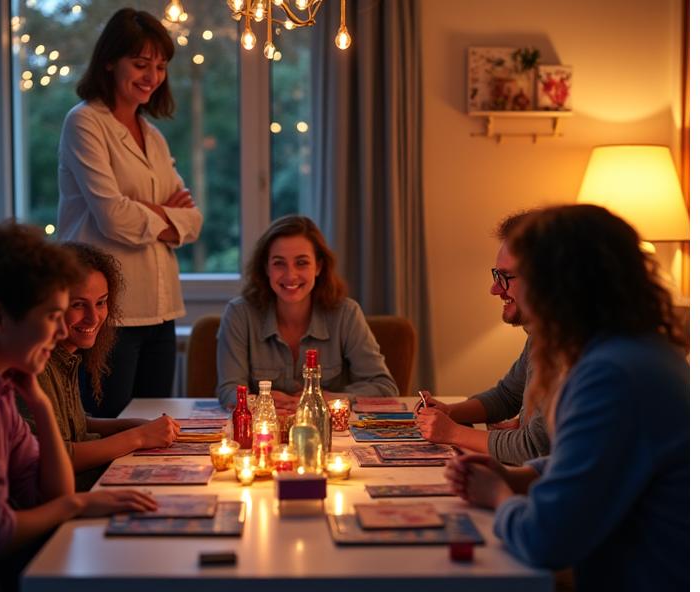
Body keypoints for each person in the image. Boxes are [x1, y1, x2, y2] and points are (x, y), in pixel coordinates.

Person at [443, 205, 689, 592]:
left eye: (510, 277)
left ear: (561, 283)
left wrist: (498, 495)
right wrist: (517, 477)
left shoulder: (611, 375)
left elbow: (547, 540)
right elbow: (588, 463)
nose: (495, 289)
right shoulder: (631, 352)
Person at [0, 223, 157, 592]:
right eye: (51, 317)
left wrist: (39, 404)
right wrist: (78, 503)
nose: (61, 334)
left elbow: (45, 491)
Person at [57, 8, 203, 417]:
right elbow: (112, 216)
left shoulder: (153, 136)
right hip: (105, 311)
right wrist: (165, 215)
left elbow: (193, 221)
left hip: (161, 307)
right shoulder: (84, 123)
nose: (152, 76)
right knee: (107, 425)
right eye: (140, 64)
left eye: (160, 66)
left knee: (157, 429)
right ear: (109, 61)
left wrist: (146, 211)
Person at [21, 242, 180, 491]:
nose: (94, 318)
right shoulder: (35, 364)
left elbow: (77, 424)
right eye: (78, 305)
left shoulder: (66, 355)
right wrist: (137, 437)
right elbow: (56, 457)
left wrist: (133, 424)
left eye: (101, 302)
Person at [217, 215, 399, 410]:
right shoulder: (239, 314)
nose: (290, 275)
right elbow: (229, 390)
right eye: (279, 263)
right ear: (266, 268)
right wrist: (262, 402)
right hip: (264, 431)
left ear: (318, 267)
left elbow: (385, 387)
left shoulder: (346, 314)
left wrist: (331, 399)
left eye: (301, 263)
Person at [416, 213, 550, 465]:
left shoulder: (576, 350)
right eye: (495, 275)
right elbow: (507, 396)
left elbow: (536, 448)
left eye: (506, 277)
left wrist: (452, 433)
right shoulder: (541, 335)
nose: (495, 289)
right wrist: (449, 412)